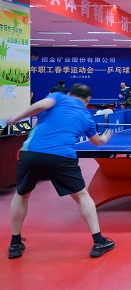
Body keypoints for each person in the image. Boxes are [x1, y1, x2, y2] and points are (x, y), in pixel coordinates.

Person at [5, 83, 115, 259]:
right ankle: (98, 241)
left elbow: (41, 105)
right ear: (88, 100)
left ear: (70, 93)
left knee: (21, 195)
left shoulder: (58, 97)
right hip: (61, 156)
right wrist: (106, 137)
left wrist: (17, 117)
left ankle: (15, 244)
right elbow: (97, 142)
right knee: (82, 196)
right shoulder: (86, 116)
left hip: (32, 153)